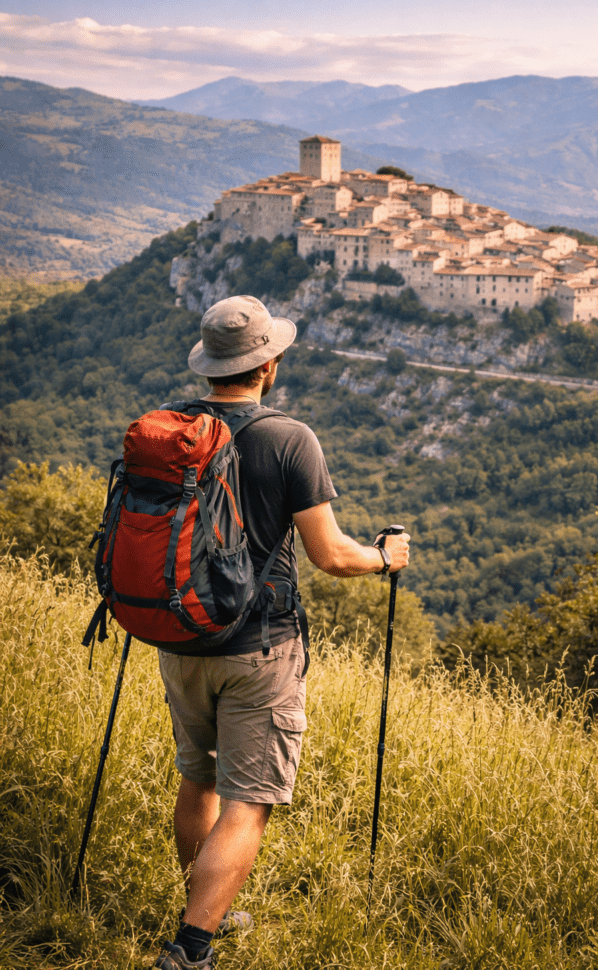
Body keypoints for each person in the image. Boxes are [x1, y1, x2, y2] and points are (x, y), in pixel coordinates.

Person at [154, 295, 410, 969]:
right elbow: (330, 556)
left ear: (209, 365)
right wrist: (385, 556)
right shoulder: (286, 437)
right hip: (258, 646)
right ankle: (192, 947)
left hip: (176, 635)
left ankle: (199, 905)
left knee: (197, 777)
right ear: (267, 364)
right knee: (248, 800)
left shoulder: (169, 426)